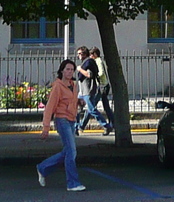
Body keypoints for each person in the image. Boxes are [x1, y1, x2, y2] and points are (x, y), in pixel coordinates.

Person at [37, 58, 87, 191]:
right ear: (62, 71)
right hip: (61, 119)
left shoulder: (74, 85)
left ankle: (42, 168)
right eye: (67, 69)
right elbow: (50, 107)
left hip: (71, 119)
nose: (70, 72)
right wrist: (46, 127)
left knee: (68, 151)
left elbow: (72, 100)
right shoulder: (58, 86)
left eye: (72, 69)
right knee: (72, 151)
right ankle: (73, 183)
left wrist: (79, 102)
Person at [88, 46, 115, 136]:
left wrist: (95, 75)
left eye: (91, 54)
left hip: (102, 86)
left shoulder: (98, 61)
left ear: (95, 54)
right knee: (105, 105)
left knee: (93, 106)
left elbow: (101, 72)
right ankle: (113, 123)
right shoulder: (98, 60)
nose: (90, 56)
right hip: (103, 86)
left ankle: (110, 124)